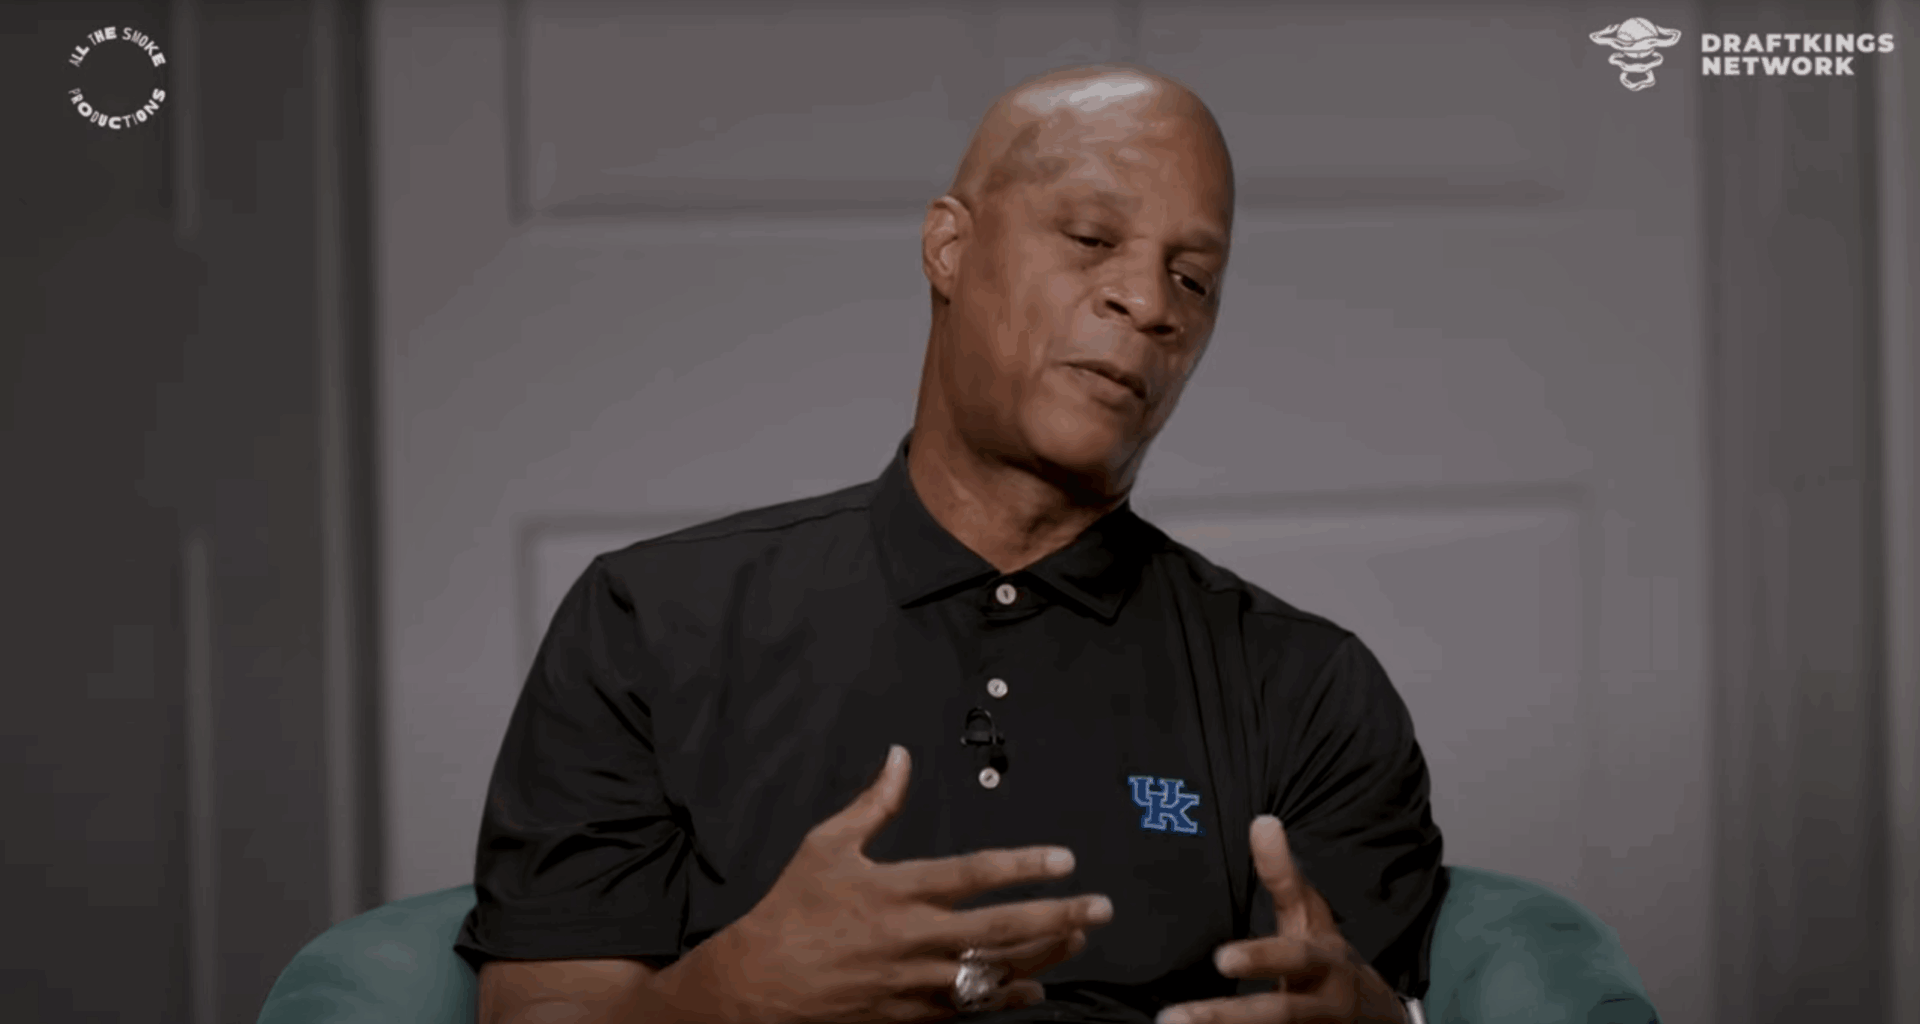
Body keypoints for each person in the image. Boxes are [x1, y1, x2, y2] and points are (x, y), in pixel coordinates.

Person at [457, 63, 1446, 1024]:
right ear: (948, 248)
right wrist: (724, 999)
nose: (1149, 304)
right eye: (1093, 237)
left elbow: (1355, 988)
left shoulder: (1310, 689)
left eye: (1193, 279)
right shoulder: (649, 625)